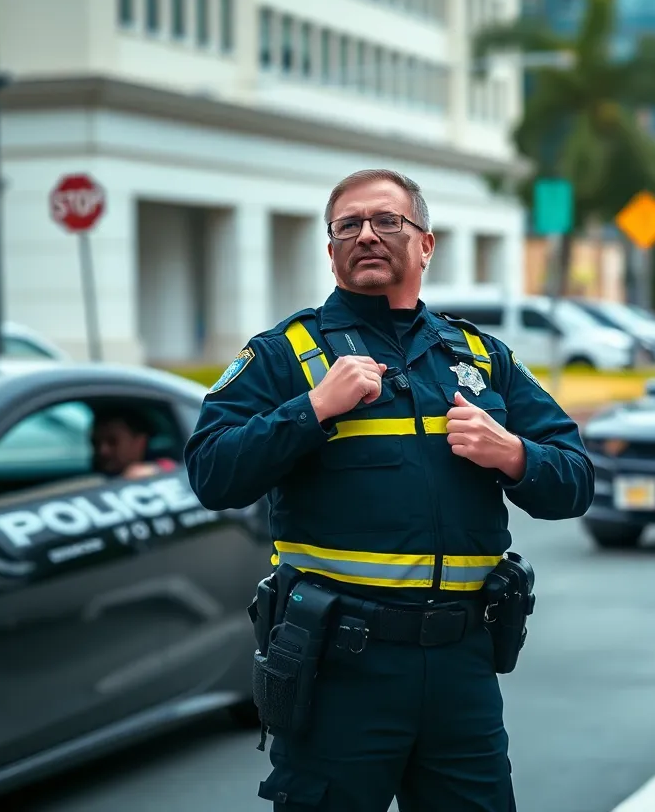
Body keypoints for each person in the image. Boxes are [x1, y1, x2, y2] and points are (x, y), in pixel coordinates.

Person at [183, 169, 595, 811]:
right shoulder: (285, 355)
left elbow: (575, 481)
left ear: (425, 244)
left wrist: (512, 453)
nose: (366, 235)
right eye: (348, 225)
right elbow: (211, 472)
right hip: (339, 668)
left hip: (461, 666)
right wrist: (314, 409)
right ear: (330, 250)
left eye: (386, 221)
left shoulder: (482, 359)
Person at [91, 405, 176, 479]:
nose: (102, 450)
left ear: (139, 442)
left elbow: (171, 467)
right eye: (95, 443)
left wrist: (155, 470)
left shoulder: (160, 471)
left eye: (112, 442)